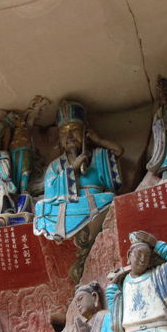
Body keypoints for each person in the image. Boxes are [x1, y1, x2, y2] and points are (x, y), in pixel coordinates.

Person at [34, 100, 122, 241]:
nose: (69, 136)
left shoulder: (96, 155)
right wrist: (72, 169)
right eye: (64, 132)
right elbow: (50, 193)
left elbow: (118, 151)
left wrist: (99, 140)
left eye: (74, 129)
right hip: (68, 207)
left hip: (95, 200)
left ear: (84, 133)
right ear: (60, 139)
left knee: (110, 198)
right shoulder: (55, 166)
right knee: (40, 206)